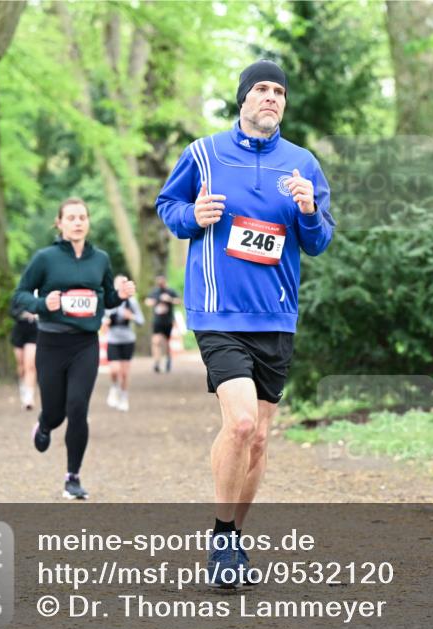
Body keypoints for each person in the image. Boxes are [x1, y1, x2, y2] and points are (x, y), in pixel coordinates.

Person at [156, 60, 335, 586]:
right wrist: (193, 218)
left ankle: (232, 539)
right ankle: (222, 535)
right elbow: (168, 204)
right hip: (218, 309)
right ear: (243, 98)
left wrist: (306, 209)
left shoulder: (302, 164)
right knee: (238, 423)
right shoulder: (204, 154)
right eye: (261, 89)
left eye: (279, 91)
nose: (271, 98)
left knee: (257, 439)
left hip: (276, 314)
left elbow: (319, 240)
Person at [12, 197, 136, 500]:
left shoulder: (101, 259)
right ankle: (43, 424)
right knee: (55, 412)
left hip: (85, 344)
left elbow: (106, 298)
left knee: (78, 408)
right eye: (71, 218)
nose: (78, 222)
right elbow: (20, 295)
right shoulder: (45, 258)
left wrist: (119, 295)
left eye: (82, 217)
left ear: (88, 222)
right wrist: (42, 304)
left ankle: (73, 477)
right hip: (52, 342)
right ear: (60, 223)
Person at [104, 276, 145, 412]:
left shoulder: (131, 302)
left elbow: (141, 320)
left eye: (124, 283)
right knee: (115, 369)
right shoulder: (109, 301)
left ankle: (123, 397)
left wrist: (131, 316)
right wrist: (105, 322)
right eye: (119, 283)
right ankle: (114, 387)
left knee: (125, 373)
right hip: (113, 339)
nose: (122, 285)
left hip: (128, 339)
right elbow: (101, 319)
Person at [144, 275, 180, 373]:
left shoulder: (170, 291)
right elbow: (147, 301)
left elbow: (179, 301)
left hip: (168, 321)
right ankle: (157, 362)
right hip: (157, 321)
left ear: (165, 281)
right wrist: (153, 301)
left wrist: (169, 299)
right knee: (156, 341)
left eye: (162, 282)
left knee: (166, 343)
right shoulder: (155, 292)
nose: (160, 283)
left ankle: (168, 359)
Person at [10, 300, 39, 410]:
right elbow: (12, 312)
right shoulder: (19, 294)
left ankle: (29, 398)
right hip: (19, 333)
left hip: (34, 333)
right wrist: (24, 314)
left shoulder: (40, 293)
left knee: (30, 366)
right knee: (21, 366)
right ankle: (23, 389)